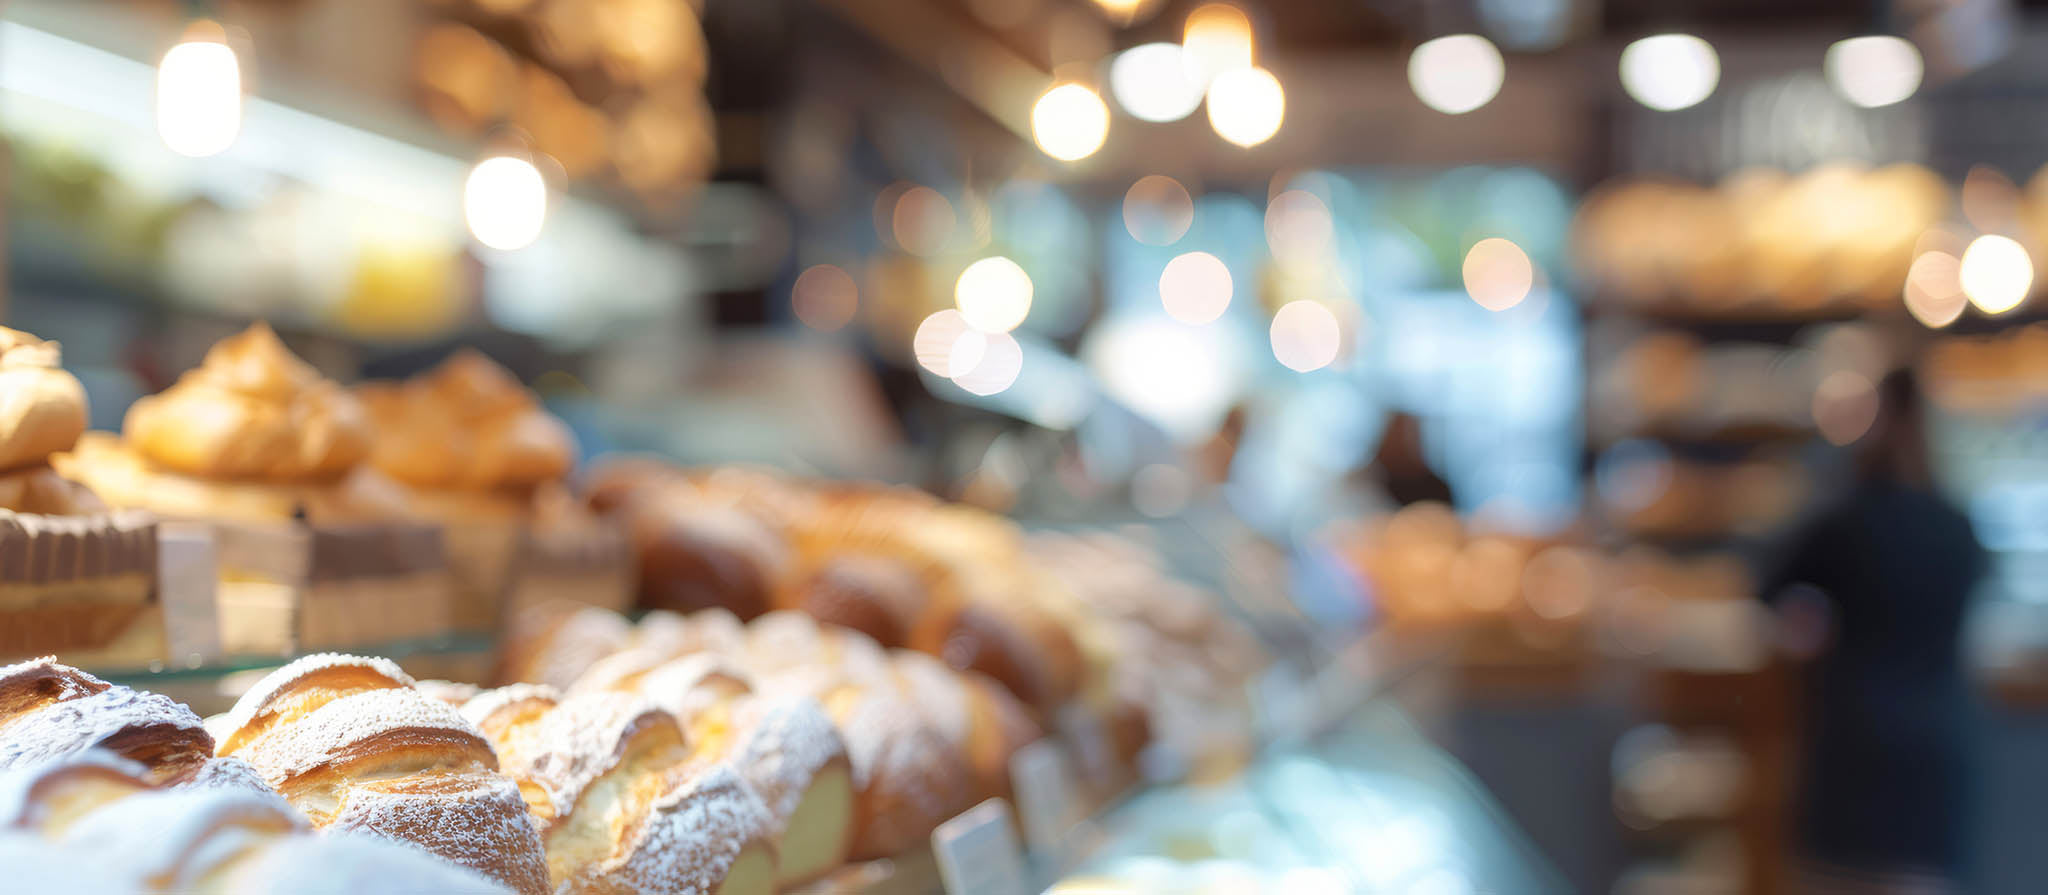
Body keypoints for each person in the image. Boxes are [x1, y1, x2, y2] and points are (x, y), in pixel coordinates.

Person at [1765, 367, 1985, 893]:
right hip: (1936, 742)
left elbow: (1770, 589)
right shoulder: (1958, 527)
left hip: (1855, 739)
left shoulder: (1846, 520)